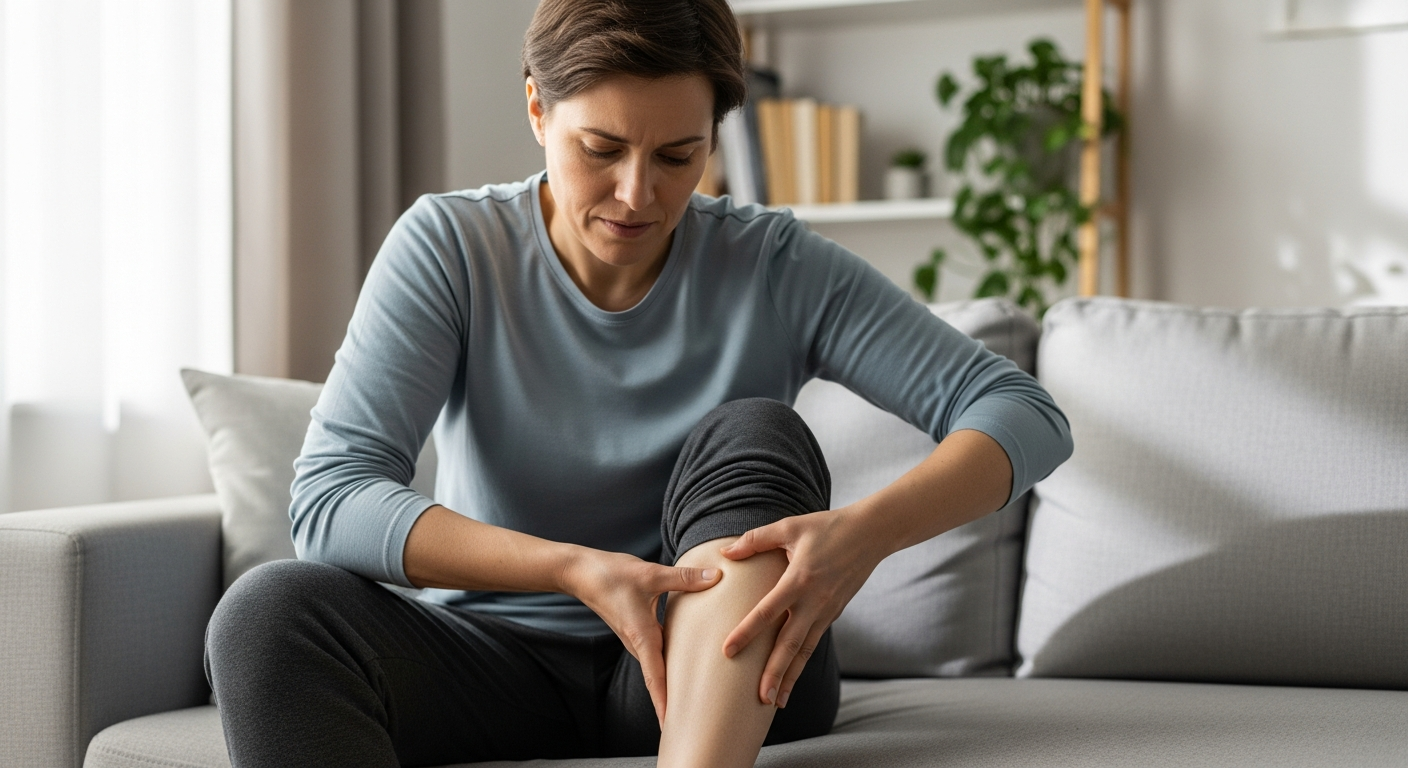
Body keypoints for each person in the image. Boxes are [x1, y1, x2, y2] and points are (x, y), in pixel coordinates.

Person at [203, 1, 1073, 766]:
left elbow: (1023, 412)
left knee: (756, 431)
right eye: (602, 149)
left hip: (719, 666)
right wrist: (575, 570)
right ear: (539, 108)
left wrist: (864, 534)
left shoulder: (772, 264)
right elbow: (331, 499)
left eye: (677, 155)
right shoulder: (453, 247)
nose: (637, 194)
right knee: (267, 614)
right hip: (489, 656)